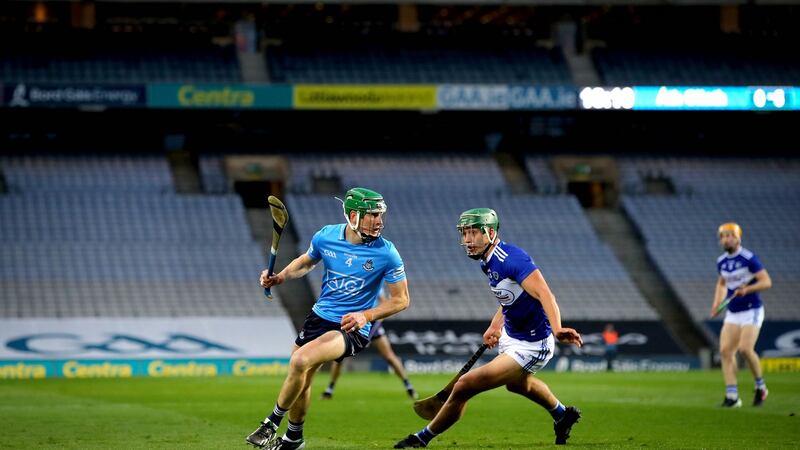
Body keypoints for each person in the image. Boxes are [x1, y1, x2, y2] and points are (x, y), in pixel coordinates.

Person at [394, 208, 583, 448]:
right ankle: (562, 414)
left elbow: (546, 294)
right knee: (517, 385)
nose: (468, 240)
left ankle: (420, 439)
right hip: (511, 335)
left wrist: (558, 329)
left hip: (533, 345)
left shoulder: (511, 259)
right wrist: (495, 326)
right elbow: (509, 299)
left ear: (491, 232)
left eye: (473, 233)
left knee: (463, 386)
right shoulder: (487, 261)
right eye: (464, 234)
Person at [246, 187, 410, 450]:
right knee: (303, 374)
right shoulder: (326, 236)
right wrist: (280, 277)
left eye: (381, 215)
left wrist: (364, 316)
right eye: (372, 215)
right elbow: (306, 262)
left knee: (300, 360)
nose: (379, 221)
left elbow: (401, 299)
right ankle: (293, 438)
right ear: (353, 216)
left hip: (350, 326)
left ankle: (270, 423)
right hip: (319, 317)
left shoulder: (387, 252)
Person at [712, 222, 772, 408]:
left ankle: (760, 387)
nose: (726, 239)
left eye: (730, 235)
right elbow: (722, 283)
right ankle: (732, 396)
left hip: (751, 309)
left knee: (745, 349)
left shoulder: (749, 258)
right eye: (723, 236)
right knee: (725, 351)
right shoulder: (721, 261)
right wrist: (717, 304)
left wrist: (747, 289)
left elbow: (766, 281)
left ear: (738, 238)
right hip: (733, 311)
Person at [321, 286, 418, 400]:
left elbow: (383, 304)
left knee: (389, 356)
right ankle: (330, 388)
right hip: (353, 322)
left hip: (372, 323)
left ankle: (408, 386)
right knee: (340, 357)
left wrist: (371, 329)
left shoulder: (375, 281)